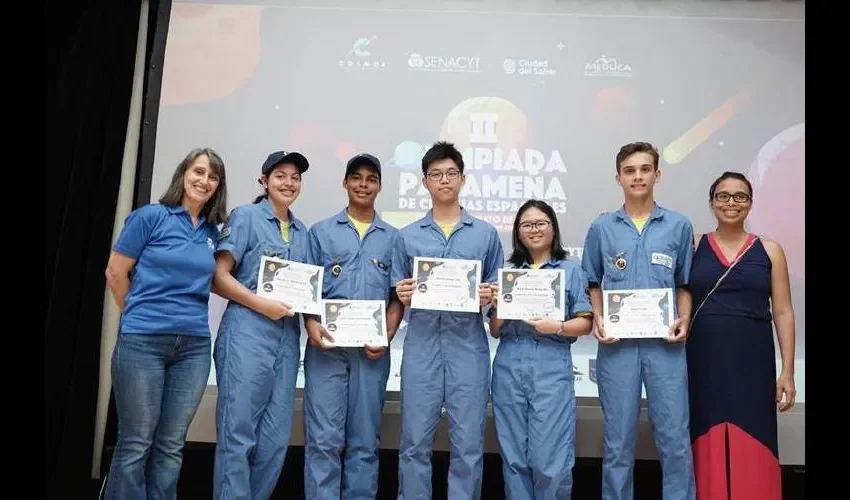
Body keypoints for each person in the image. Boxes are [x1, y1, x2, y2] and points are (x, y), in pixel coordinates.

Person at [103, 147, 228, 499]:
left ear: (218, 187)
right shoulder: (150, 217)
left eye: (212, 176)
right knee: (137, 442)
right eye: (198, 171)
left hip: (193, 347)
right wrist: (137, 315)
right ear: (183, 174)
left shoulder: (212, 233)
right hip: (142, 342)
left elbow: (216, 280)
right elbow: (115, 272)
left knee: (171, 445)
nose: (204, 180)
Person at [581, 141, 696, 500]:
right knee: (617, 442)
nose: (638, 176)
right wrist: (598, 317)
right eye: (630, 171)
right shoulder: (602, 227)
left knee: (675, 439)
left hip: (666, 348)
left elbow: (685, 284)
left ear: (657, 175)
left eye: (645, 169)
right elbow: (593, 282)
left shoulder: (678, 225)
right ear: (618, 178)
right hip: (617, 350)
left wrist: (685, 320)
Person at [393, 141, 504, 499]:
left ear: (463, 179)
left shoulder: (485, 234)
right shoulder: (406, 236)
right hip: (421, 346)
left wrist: (491, 298)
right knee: (413, 444)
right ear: (424, 182)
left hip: (468, 349)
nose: (444, 180)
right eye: (436, 174)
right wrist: (402, 293)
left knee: (469, 447)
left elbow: (498, 296)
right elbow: (397, 290)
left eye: (451, 173)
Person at [686, 171, 796, 500]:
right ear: (711, 203)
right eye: (723, 196)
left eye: (740, 196)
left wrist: (787, 372)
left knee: (755, 436)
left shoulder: (770, 250)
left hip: (753, 364)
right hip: (702, 361)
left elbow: (783, 311)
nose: (731, 203)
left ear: (750, 204)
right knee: (702, 436)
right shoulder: (693, 246)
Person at [302, 153, 404, 499]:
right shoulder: (320, 233)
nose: (363, 184)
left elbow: (397, 298)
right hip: (325, 351)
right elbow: (306, 289)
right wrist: (311, 323)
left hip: (371, 355)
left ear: (379, 186)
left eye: (371, 179)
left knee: (364, 442)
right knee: (323, 441)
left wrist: (386, 337)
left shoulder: (394, 238)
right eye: (356, 177)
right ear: (345, 182)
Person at [211, 150, 311, 500]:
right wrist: (261, 305)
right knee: (237, 436)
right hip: (246, 332)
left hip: (286, 340)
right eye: (280, 175)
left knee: (274, 440)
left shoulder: (303, 233)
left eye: (295, 177)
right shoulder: (245, 217)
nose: (288, 182)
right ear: (264, 180)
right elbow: (218, 277)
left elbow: (309, 293)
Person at [488, 199, 593, 500]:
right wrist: (500, 307)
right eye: (526, 225)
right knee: (514, 458)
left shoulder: (571, 270)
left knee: (552, 458)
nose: (534, 229)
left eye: (540, 223)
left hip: (551, 366)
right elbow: (495, 330)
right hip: (509, 365)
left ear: (553, 227)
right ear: (518, 233)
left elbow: (584, 324)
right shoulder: (506, 272)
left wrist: (557, 326)